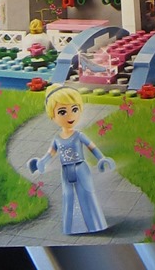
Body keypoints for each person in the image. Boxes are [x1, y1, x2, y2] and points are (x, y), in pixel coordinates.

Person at [27, 85, 115, 234]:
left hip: (81, 168)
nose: (70, 115)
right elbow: (50, 153)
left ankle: (96, 224)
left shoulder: (79, 135)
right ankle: (71, 227)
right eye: (62, 112)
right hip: (66, 171)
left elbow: (92, 147)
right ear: (52, 115)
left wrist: (102, 158)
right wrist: (41, 162)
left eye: (74, 109)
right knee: (68, 196)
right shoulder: (57, 138)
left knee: (87, 194)